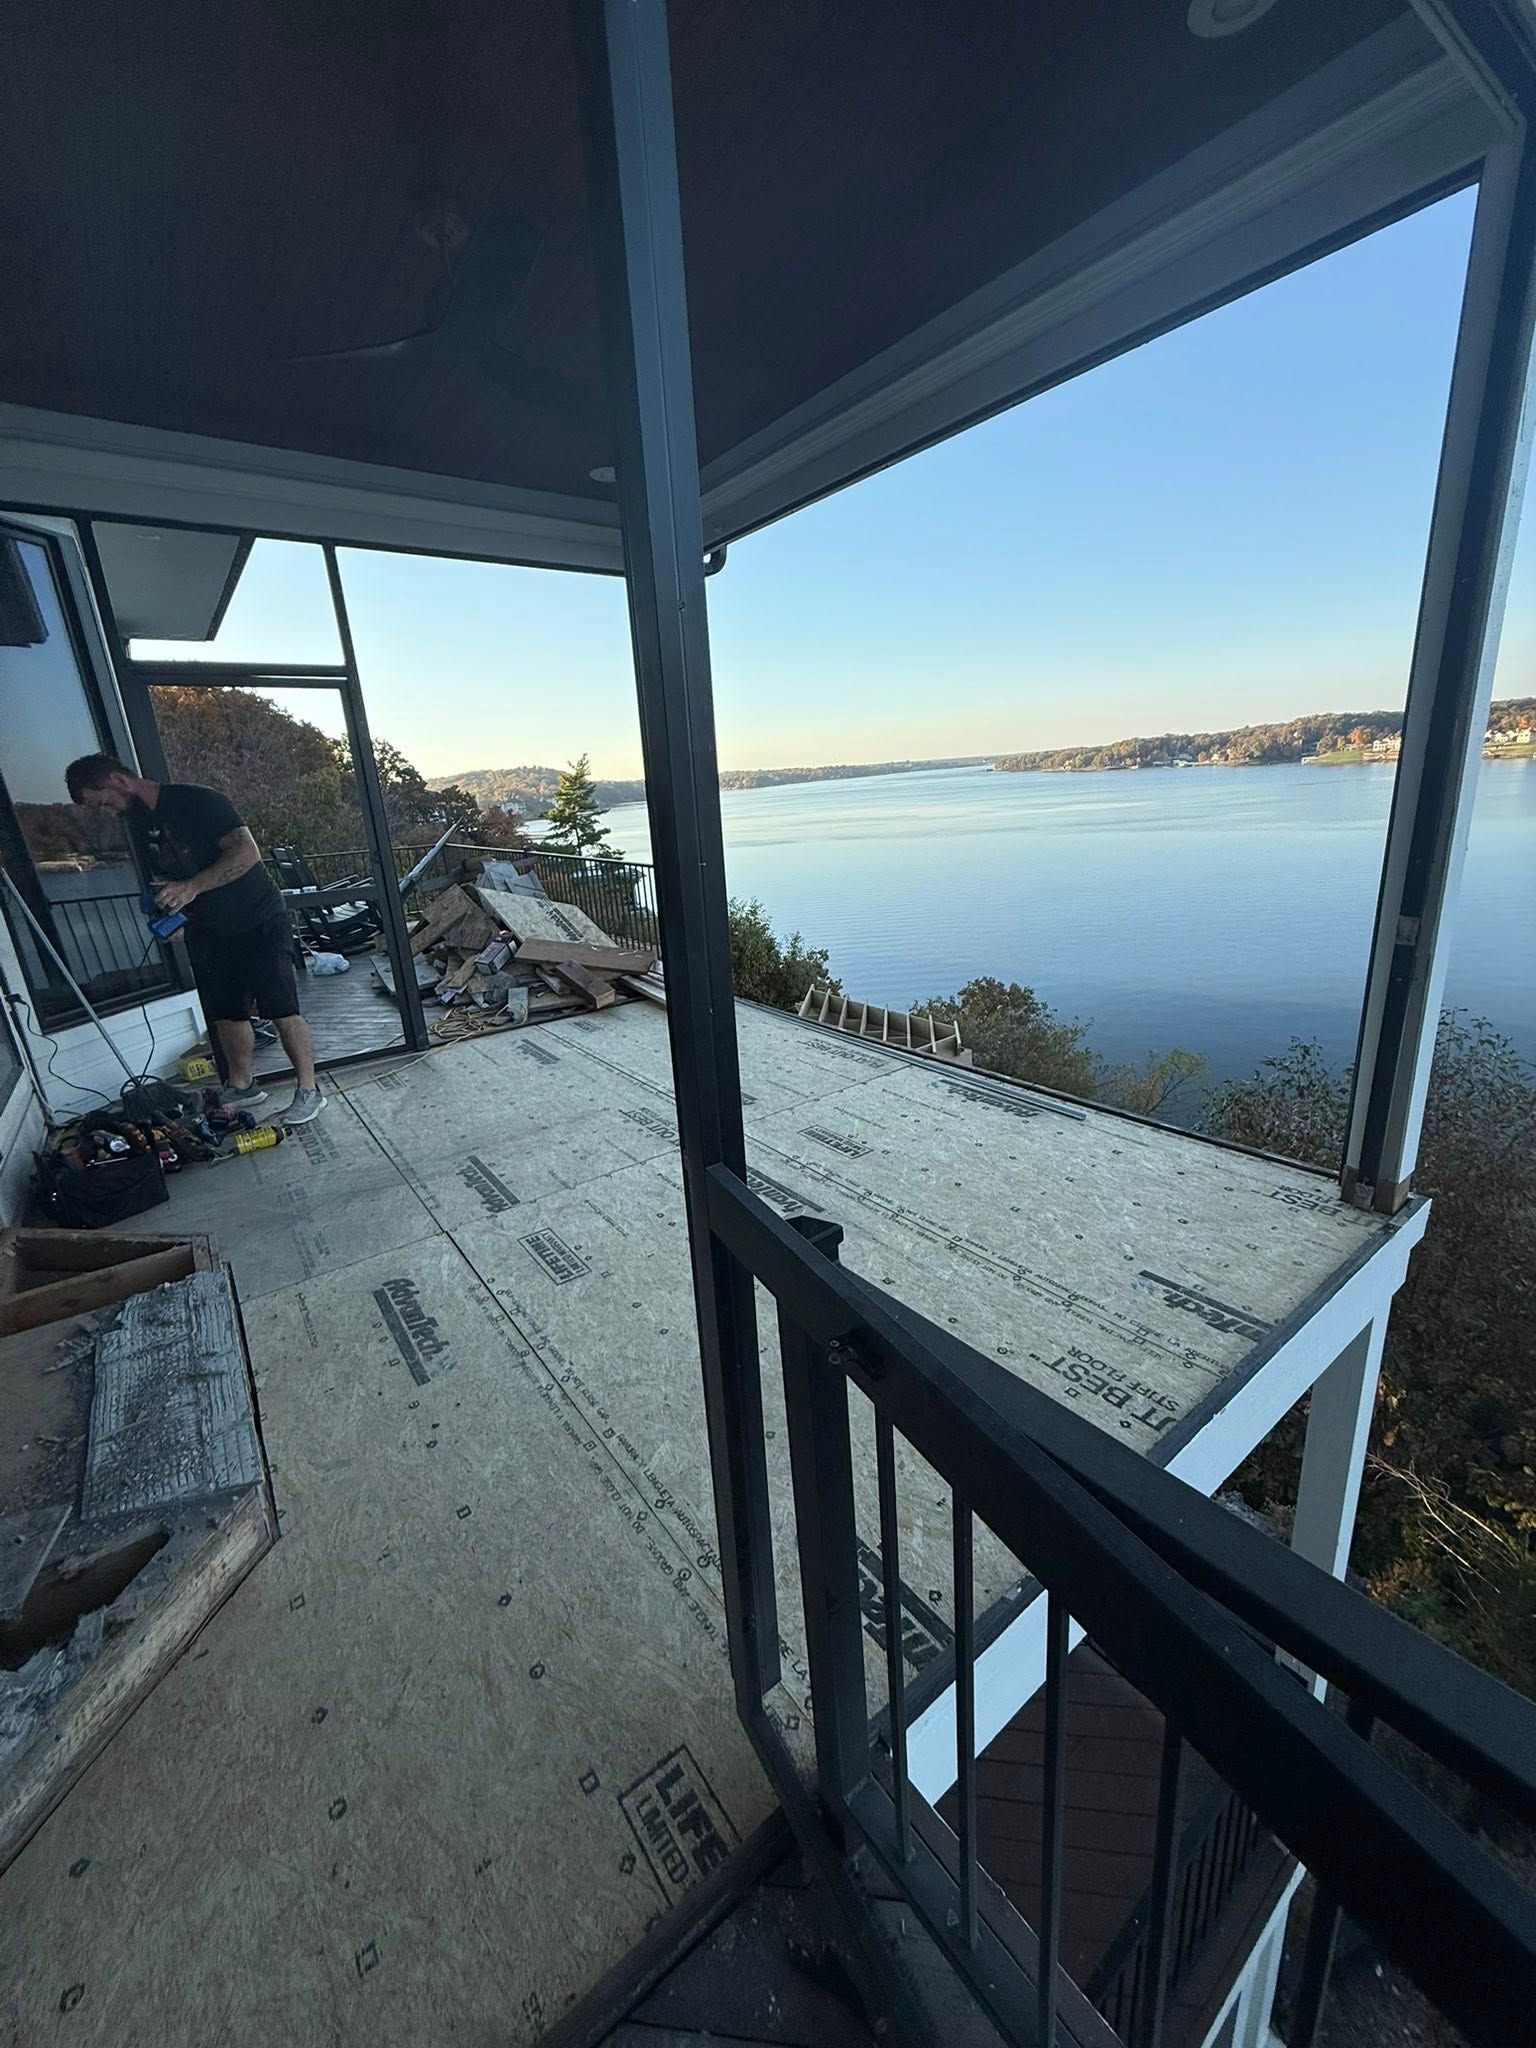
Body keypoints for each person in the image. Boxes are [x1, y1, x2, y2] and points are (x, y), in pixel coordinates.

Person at [66, 754, 325, 1125]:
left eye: (102, 801)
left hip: (257, 921)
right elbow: (164, 874)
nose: (106, 811)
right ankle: (242, 1086)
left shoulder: (199, 802)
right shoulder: (137, 823)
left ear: (117, 780)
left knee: (282, 1008)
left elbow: (246, 851)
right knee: (226, 1013)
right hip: (206, 929)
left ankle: (309, 1091)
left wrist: (192, 887)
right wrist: (170, 910)